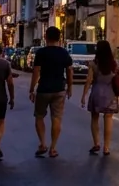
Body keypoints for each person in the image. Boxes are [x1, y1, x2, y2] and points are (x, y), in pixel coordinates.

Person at [30, 26, 74, 158]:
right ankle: (53, 148)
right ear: (59, 38)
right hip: (59, 89)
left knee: (39, 116)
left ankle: (43, 144)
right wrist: (70, 87)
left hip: (43, 89)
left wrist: (32, 89)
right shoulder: (64, 53)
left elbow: (36, 71)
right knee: (56, 118)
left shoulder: (41, 53)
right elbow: (70, 70)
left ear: (46, 37)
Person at [80, 39, 119, 155]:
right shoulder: (114, 64)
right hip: (110, 94)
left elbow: (89, 81)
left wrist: (84, 95)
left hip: (96, 92)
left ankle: (96, 143)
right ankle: (106, 147)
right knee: (108, 119)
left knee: (94, 118)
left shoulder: (93, 64)